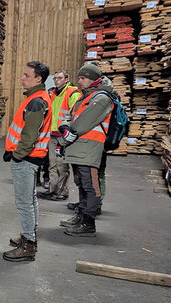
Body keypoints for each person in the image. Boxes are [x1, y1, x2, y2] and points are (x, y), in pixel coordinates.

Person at [2, 61, 52, 262]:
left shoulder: (36, 101)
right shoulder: (36, 98)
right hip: (30, 158)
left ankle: (28, 244)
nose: (22, 78)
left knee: (24, 202)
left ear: (38, 79)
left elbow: (30, 135)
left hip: (26, 159)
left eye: (26, 75)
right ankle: (28, 235)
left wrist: (17, 154)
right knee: (30, 200)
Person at [57, 64, 113, 237]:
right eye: (79, 78)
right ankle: (81, 215)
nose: (79, 81)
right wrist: (65, 128)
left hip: (89, 148)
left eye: (83, 78)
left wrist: (66, 136)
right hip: (78, 148)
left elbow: (83, 123)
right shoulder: (84, 97)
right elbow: (68, 116)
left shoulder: (101, 99)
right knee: (81, 184)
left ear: (93, 79)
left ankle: (89, 223)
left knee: (90, 186)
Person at [40, 70, 81, 201]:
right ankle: (52, 189)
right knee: (52, 164)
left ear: (66, 79)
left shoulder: (72, 93)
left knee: (61, 165)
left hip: (63, 135)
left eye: (60, 78)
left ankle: (63, 191)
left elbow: (76, 114)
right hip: (52, 134)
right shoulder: (52, 94)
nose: (56, 80)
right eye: (55, 78)